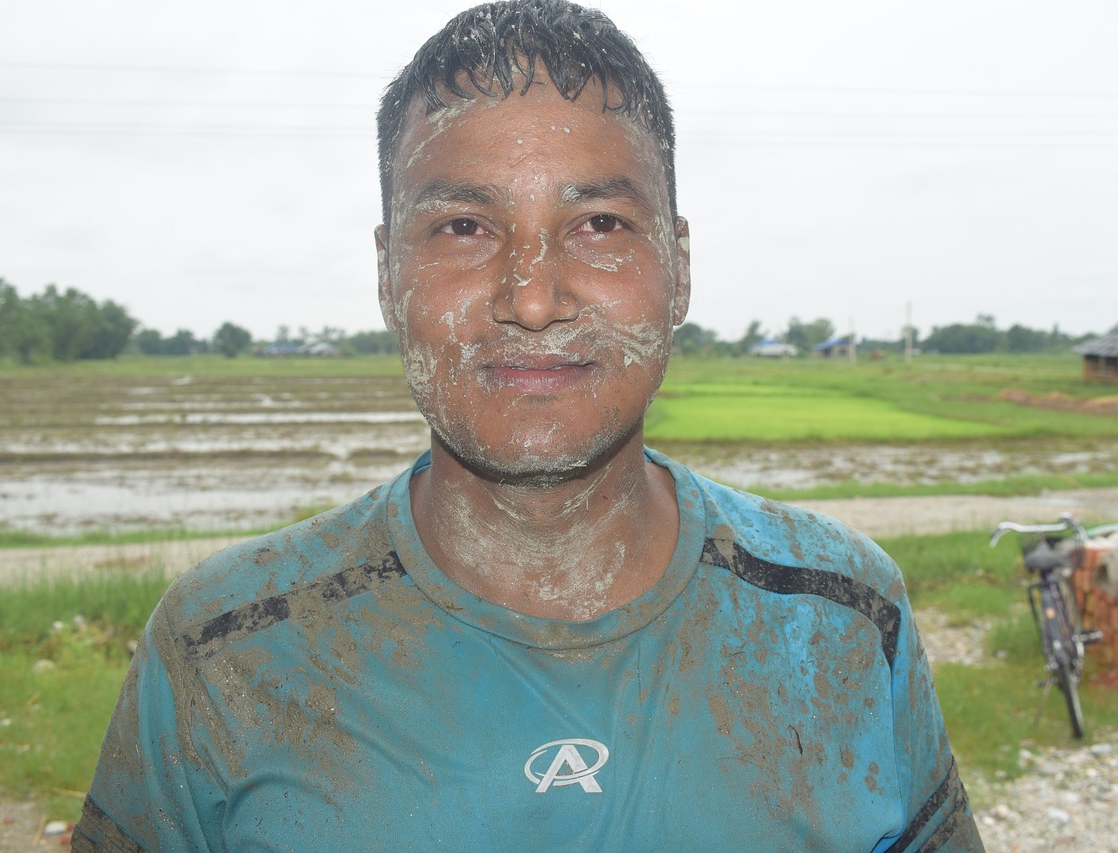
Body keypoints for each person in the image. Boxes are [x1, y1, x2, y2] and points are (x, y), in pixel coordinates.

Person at [73, 1, 983, 849]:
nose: (535, 298)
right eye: (466, 227)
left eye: (599, 222)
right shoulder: (224, 649)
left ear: (679, 265)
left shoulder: (843, 618)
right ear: (389, 274)